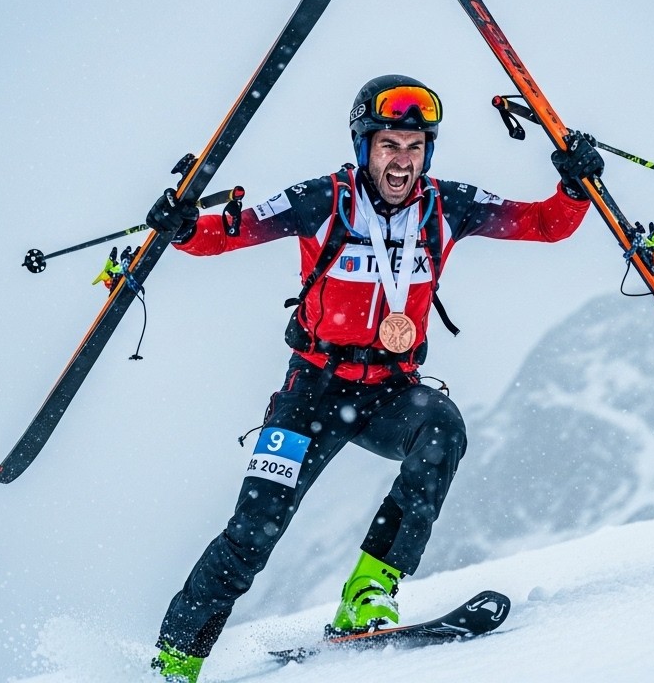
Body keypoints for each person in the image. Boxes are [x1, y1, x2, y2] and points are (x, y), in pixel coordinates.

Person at [142, 74, 603, 682]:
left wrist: (573, 187)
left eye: (415, 148)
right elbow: (233, 231)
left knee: (442, 427)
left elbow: (545, 224)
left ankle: (366, 596)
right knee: (253, 532)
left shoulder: (447, 205)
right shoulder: (322, 200)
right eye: (390, 145)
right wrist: (182, 228)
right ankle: (174, 661)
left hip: (388, 390)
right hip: (311, 390)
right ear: (365, 146)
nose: (402, 162)